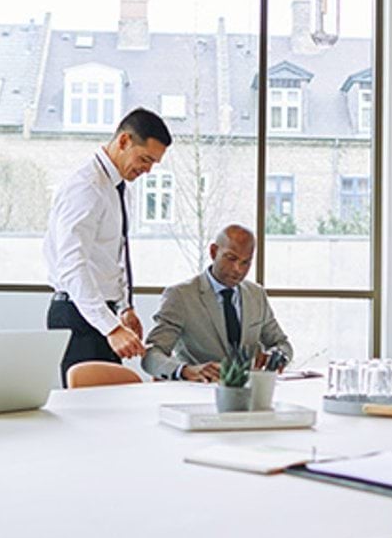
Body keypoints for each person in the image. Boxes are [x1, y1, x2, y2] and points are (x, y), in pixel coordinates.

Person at [44, 107, 172, 382]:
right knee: (88, 415)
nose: (147, 170)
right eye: (145, 159)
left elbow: (112, 256)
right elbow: (72, 265)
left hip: (102, 314)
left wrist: (124, 308)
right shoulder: (86, 187)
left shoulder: (114, 187)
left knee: (110, 409)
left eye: (153, 164)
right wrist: (110, 328)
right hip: (79, 316)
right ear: (124, 141)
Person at [142, 224, 293, 381]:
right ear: (213, 252)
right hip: (197, 392)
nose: (238, 269)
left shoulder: (256, 294)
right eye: (231, 258)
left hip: (250, 394)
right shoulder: (180, 296)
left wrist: (278, 356)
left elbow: (282, 344)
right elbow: (151, 356)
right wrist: (185, 370)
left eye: (245, 262)